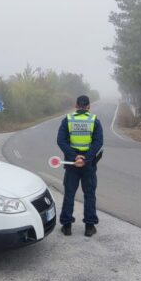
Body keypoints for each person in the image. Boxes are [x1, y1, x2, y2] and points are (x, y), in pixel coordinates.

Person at [57, 95, 103, 237]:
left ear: (76, 105)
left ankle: (67, 226)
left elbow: (61, 140)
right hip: (88, 164)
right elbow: (98, 142)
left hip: (72, 164)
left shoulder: (68, 119)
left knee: (69, 194)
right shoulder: (94, 120)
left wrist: (74, 157)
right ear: (89, 106)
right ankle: (89, 227)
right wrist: (86, 158)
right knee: (89, 195)